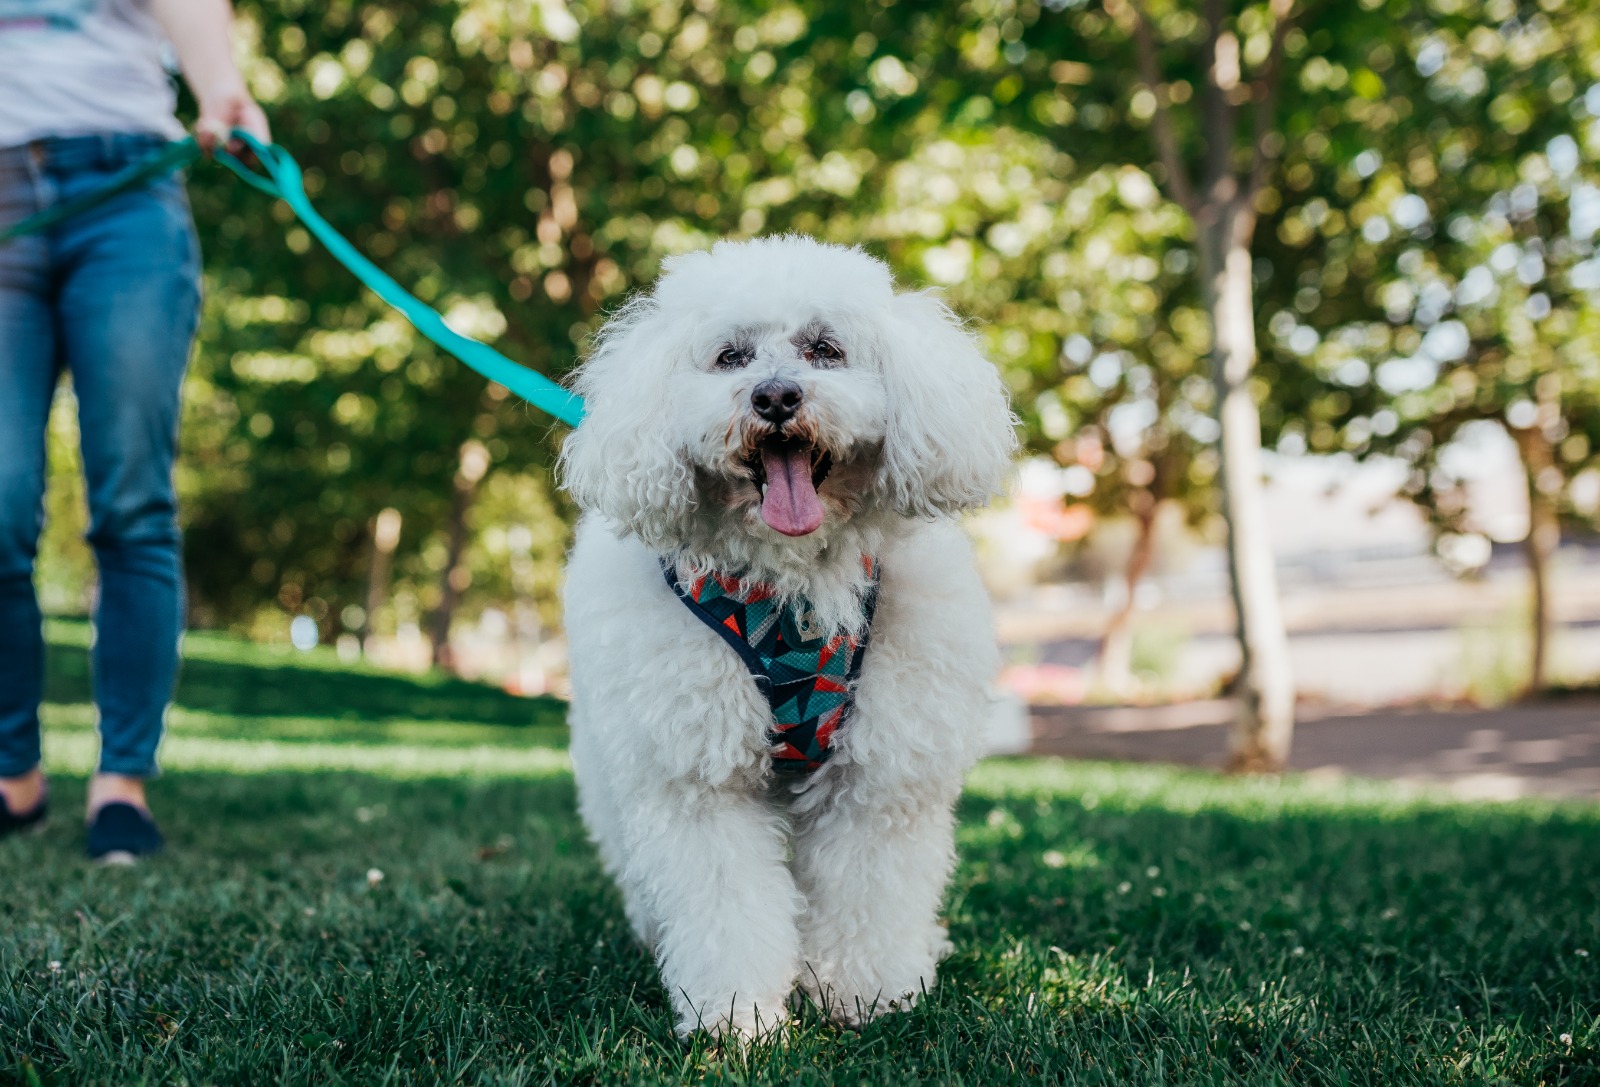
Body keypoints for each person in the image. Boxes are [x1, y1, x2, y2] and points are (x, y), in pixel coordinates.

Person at [0, 0, 269, 861]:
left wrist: (221, 86)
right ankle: (14, 774)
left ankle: (122, 782)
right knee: (0, 500)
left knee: (131, 499)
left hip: (127, 189)